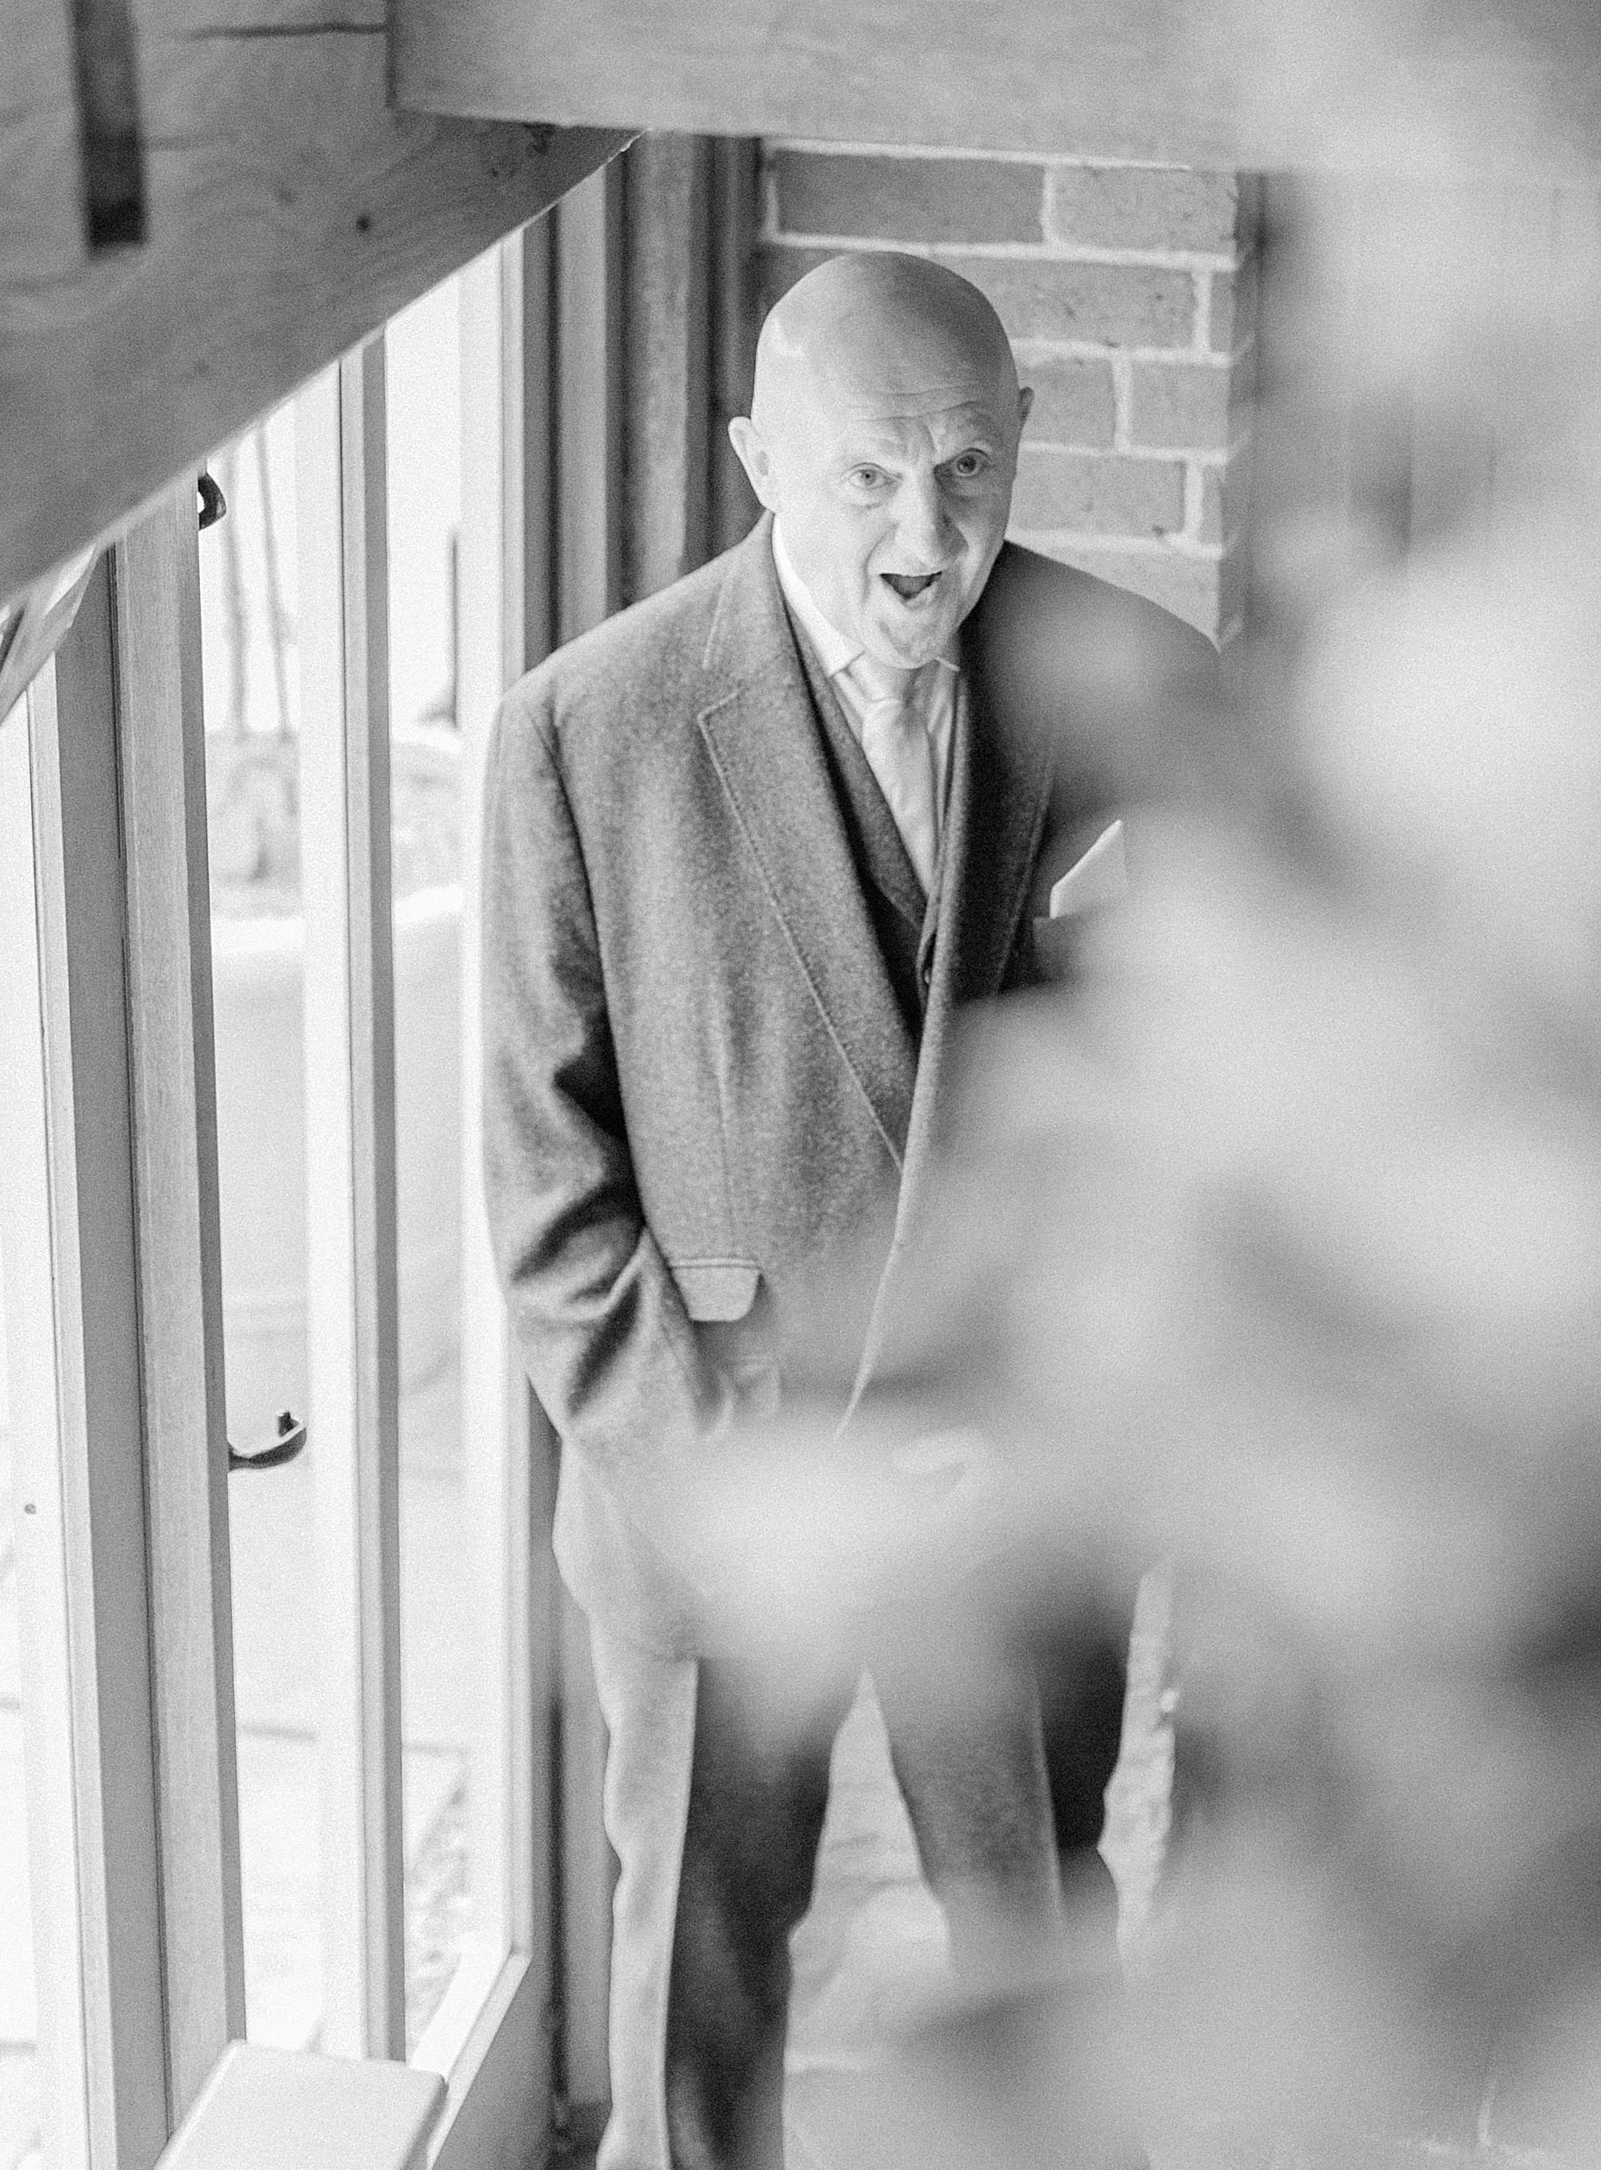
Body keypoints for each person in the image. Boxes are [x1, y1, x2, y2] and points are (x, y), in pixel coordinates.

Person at [482, 249, 1213, 2170]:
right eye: (868, 474)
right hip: (717, 1480)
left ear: (1026, 446)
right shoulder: (589, 731)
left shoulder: (1142, 692)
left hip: (1015, 1478)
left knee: (1041, 1930)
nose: (927, 529)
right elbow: (552, 1204)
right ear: (754, 456)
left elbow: (1214, 1123)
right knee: (695, 1962)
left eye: (969, 467)